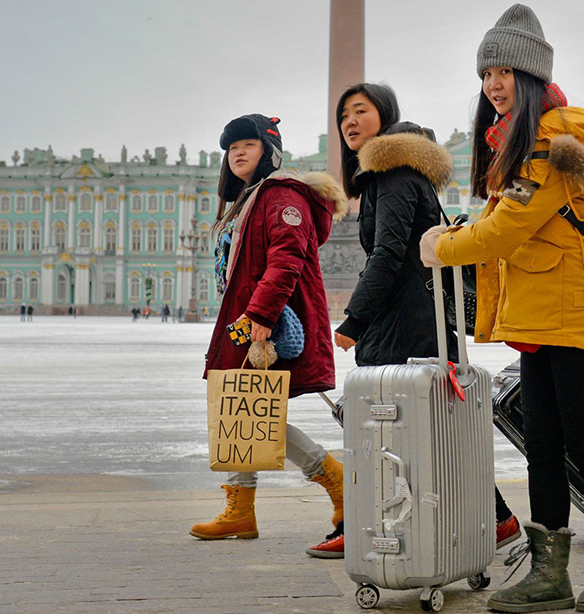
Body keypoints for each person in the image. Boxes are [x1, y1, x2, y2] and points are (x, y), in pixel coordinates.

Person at [422, 4, 584, 612]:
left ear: (530, 79)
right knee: (544, 443)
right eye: (484, 75)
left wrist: (440, 246)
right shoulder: (523, 146)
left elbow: (504, 232)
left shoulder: (551, 146)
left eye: (503, 72)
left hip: (573, 310)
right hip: (540, 310)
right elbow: (507, 223)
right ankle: (550, 574)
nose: (492, 85)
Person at [330, 82, 521, 560]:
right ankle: (497, 519)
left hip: (404, 325)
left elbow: (390, 253)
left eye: (360, 111)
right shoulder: (400, 173)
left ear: (385, 116)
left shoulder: (391, 173)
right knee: (436, 431)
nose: (350, 122)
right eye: (343, 116)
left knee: (383, 430)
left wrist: (354, 318)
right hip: (420, 320)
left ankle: (365, 528)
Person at [191, 113, 348, 556]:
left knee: (252, 409)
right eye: (232, 147)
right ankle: (241, 510)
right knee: (242, 408)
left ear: (269, 152)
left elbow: (287, 256)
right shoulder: (249, 199)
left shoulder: (280, 195)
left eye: (249, 145)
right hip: (244, 323)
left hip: (265, 325)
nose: (238, 152)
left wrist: (260, 312)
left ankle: (334, 480)